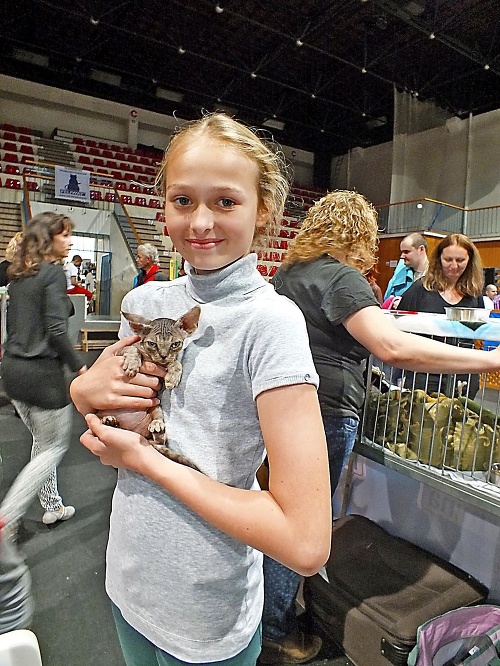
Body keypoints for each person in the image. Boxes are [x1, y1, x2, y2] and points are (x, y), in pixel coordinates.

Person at [69, 112, 332, 666]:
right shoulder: (143, 306)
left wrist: (145, 460)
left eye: (226, 201)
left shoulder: (272, 322)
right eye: (183, 200)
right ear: (162, 211)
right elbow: (116, 429)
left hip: (206, 612)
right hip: (129, 582)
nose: (202, 221)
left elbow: (305, 544)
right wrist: (82, 393)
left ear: (265, 212)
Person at [261, 191, 500, 664]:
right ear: (359, 234)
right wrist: (489, 359)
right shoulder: (341, 277)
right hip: (326, 412)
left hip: (280, 407)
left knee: (276, 515)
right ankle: (278, 630)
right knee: (302, 528)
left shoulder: (289, 273)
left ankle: (269, 616)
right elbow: (391, 345)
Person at [1, 212, 87, 526]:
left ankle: (52, 505)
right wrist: (79, 368)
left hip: (12, 372)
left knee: (42, 440)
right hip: (40, 377)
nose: (69, 240)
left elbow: (51, 313)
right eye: (64, 235)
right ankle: (6, 520)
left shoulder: (19, 274)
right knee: (53, 446)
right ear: (48, 240)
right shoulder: (51, 274)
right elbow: (55, 329)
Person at [398, 233, 485, 397]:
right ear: (439, 259)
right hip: (423, 375)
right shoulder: (419, 289)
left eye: (460, 261)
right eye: (448, 260)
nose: (454, 266)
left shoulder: (474, 294)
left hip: (463, 376)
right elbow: (401, 328)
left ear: (470, 261)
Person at [383, 232, 429, 300]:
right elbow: (387, 300)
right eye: (402, 252)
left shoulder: (435, 275)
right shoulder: (399, 273)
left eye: (406, 252)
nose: (402, 256)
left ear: (421, 249)